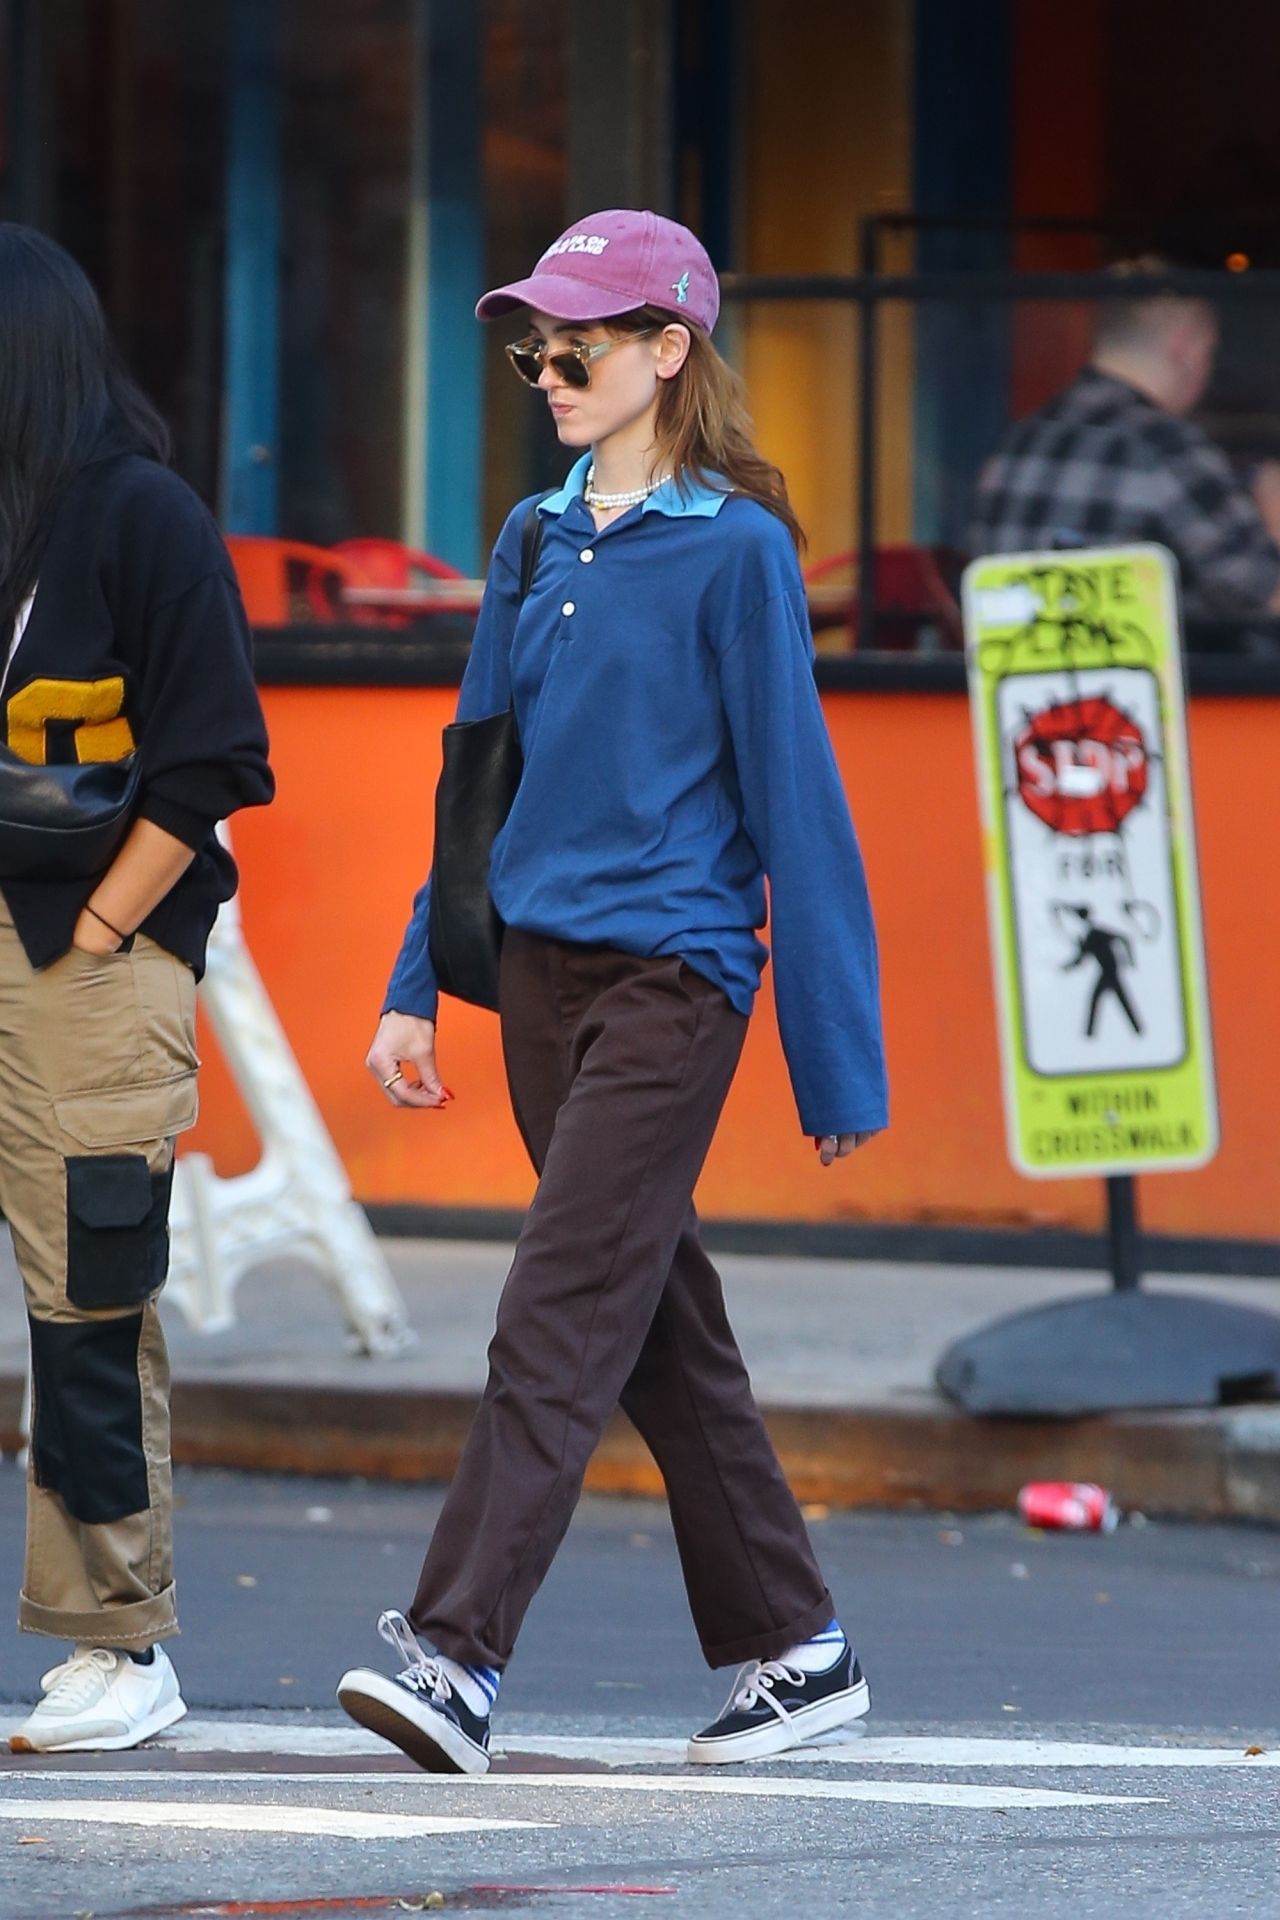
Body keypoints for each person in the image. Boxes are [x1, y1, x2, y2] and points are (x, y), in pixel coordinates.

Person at [337, 209, 888, 1775]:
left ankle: (453, 1658)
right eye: (536, 344)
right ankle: (801, 1647)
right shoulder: (531, 538)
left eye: (579, 342)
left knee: (560, 1305)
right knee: (657, 1327)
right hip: (535, 977)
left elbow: (800, 806)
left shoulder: (738, 553)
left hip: (675, 978)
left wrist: (836, 1063)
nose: (550, 366)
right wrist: (416, 989)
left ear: (670, 351)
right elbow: (478, 790)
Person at [0, 225, 274, 1752]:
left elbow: (215, 760)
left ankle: (119, 1644)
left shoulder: (140, 520)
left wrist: (98, 932)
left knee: (87, 1306)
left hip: (89, 973)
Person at [969, 258, 1280, 648]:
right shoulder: (1167, 449)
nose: (1208, 367)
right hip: (1141, 701)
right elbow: (1268, 597)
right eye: (1209, 351)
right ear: (1183, 346)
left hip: (1018, 700)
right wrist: (1273, 509)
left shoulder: (1015, 445)